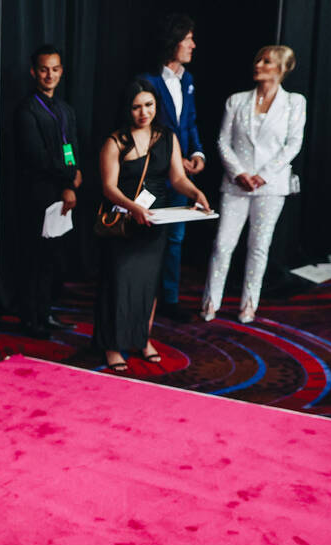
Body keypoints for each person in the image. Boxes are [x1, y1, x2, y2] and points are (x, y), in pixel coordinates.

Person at [93, 80, 210, 372]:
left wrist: (196, 193)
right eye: (136, 107)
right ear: (127, 109)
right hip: (123, 221)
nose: (143, 112)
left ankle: (142, 339)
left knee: (148, 284)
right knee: (119, 284)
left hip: (155, 222)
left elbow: (178, 178)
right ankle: (112, 345)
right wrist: (134, 208)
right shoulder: (115, 141)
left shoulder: (167, 137)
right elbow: (108, 187)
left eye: (149, 105)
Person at [201, 46, 306, 323]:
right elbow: (223, 141)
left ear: (282, 69)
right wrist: (238, 172)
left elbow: (293, 143)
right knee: (222, 244)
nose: (258, 64)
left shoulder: (295, 103)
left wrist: (265, 175)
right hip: (236, 184)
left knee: (259, 246)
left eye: (267, 61)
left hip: (270, 187)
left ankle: (249, 303)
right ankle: (211, 300)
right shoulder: (236, 101)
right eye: (258, 59)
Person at [139, 13, 206, 323]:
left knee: (176, 239)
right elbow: (143, 129)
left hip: (182, 176)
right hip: (152, 176)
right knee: (147, 239)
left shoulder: (188, 81)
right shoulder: (147, 81)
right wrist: (172, 159)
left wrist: (197, 154)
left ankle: (169, 298)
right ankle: (143, 297)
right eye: (187, 38)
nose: (193, 44)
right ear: (173, 41)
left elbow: (188, 123)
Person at [13, 44, 82, 340]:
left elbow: (72, 149)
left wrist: (71, 183)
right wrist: (70, 178)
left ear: (61, 71)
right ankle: (31, 319)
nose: (49, 75)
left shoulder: (65, 110)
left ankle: (46, 312)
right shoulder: (26, 111)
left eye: (54, 69)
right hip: (37, 195)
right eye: (43, 69)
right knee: (35, 259)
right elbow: (37, 157)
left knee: (53, 258)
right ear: (33, 72)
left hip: (62, 194)